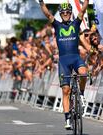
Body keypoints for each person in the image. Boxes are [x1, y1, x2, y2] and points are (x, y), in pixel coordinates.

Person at [38, 0, 89, 130]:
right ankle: (67, 118)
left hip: (76, 57)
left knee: (84, 73)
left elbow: (82, 10)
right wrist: (41, 3)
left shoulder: (76, 23)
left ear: (71, 13)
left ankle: (81, 94)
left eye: (67, 12)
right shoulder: (57, 25)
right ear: (60, 14)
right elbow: (48, 15)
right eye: (63, 12)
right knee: (66, 90)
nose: (66, 14)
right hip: (63, 61)